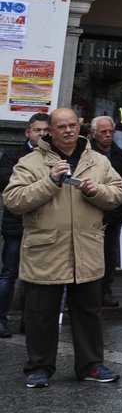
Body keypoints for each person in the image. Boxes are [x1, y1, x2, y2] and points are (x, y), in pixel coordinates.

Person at [2, 107, 122, 386]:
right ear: (50, 131)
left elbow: (119, 193)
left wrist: (99, 192)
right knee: (40, 315)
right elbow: (13, 200)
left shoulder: (97, 160)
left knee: (88, 313)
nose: (68, 130)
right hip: (46, 250)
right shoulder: (30, 162)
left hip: (86, 249)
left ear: (80, 127)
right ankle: (39, 367)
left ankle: (91, 366)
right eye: (61, 126)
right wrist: (49, 182)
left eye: (73, 125)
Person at [0, 112, 49, 337]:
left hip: (42, 225)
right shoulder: (13, 155)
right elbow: (7, 182)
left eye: (45, 130)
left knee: (36, 277)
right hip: (16, 223)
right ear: (27, 132)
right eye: (37, 130)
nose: (42, 134)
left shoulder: (53, 156)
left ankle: (28, 322)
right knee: (9, 272)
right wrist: (43, 183)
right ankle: (1, 319)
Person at [87, 117, 122, 307]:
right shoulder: (87, 153)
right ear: (93, 133)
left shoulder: (119, 155)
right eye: (103, 132)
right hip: (91, 212)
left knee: (109, 254)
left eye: (110, 131)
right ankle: (88, 292)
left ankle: (105, 290)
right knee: (89, 254)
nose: (107, 135)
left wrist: (120, 213)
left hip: (113, 215)